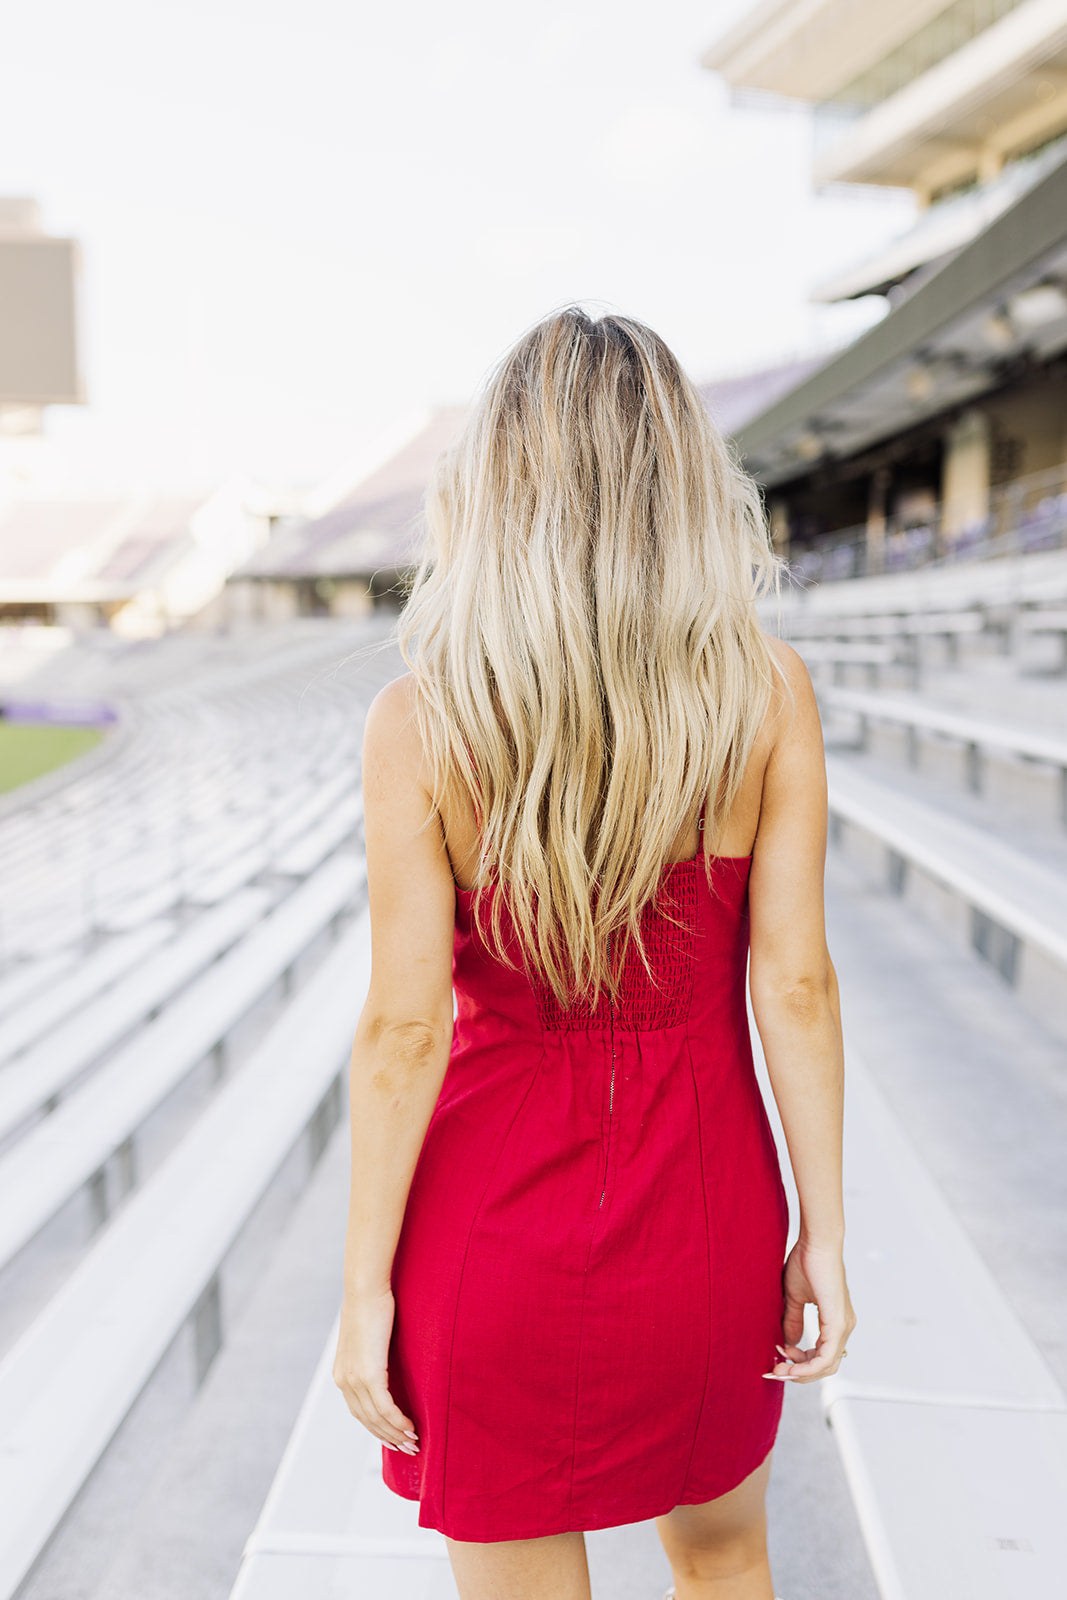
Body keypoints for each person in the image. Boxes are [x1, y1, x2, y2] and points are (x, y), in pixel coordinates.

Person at [332, 305, 856, 1600]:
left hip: (489, 1229)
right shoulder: (766, 689)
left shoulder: (424, 718)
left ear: (493, 489)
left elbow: (404, 1033)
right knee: (729, 1562)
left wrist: (364, 1290)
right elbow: (793, 981)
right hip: (709, 1208)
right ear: (686, 482)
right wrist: (825, 1231)